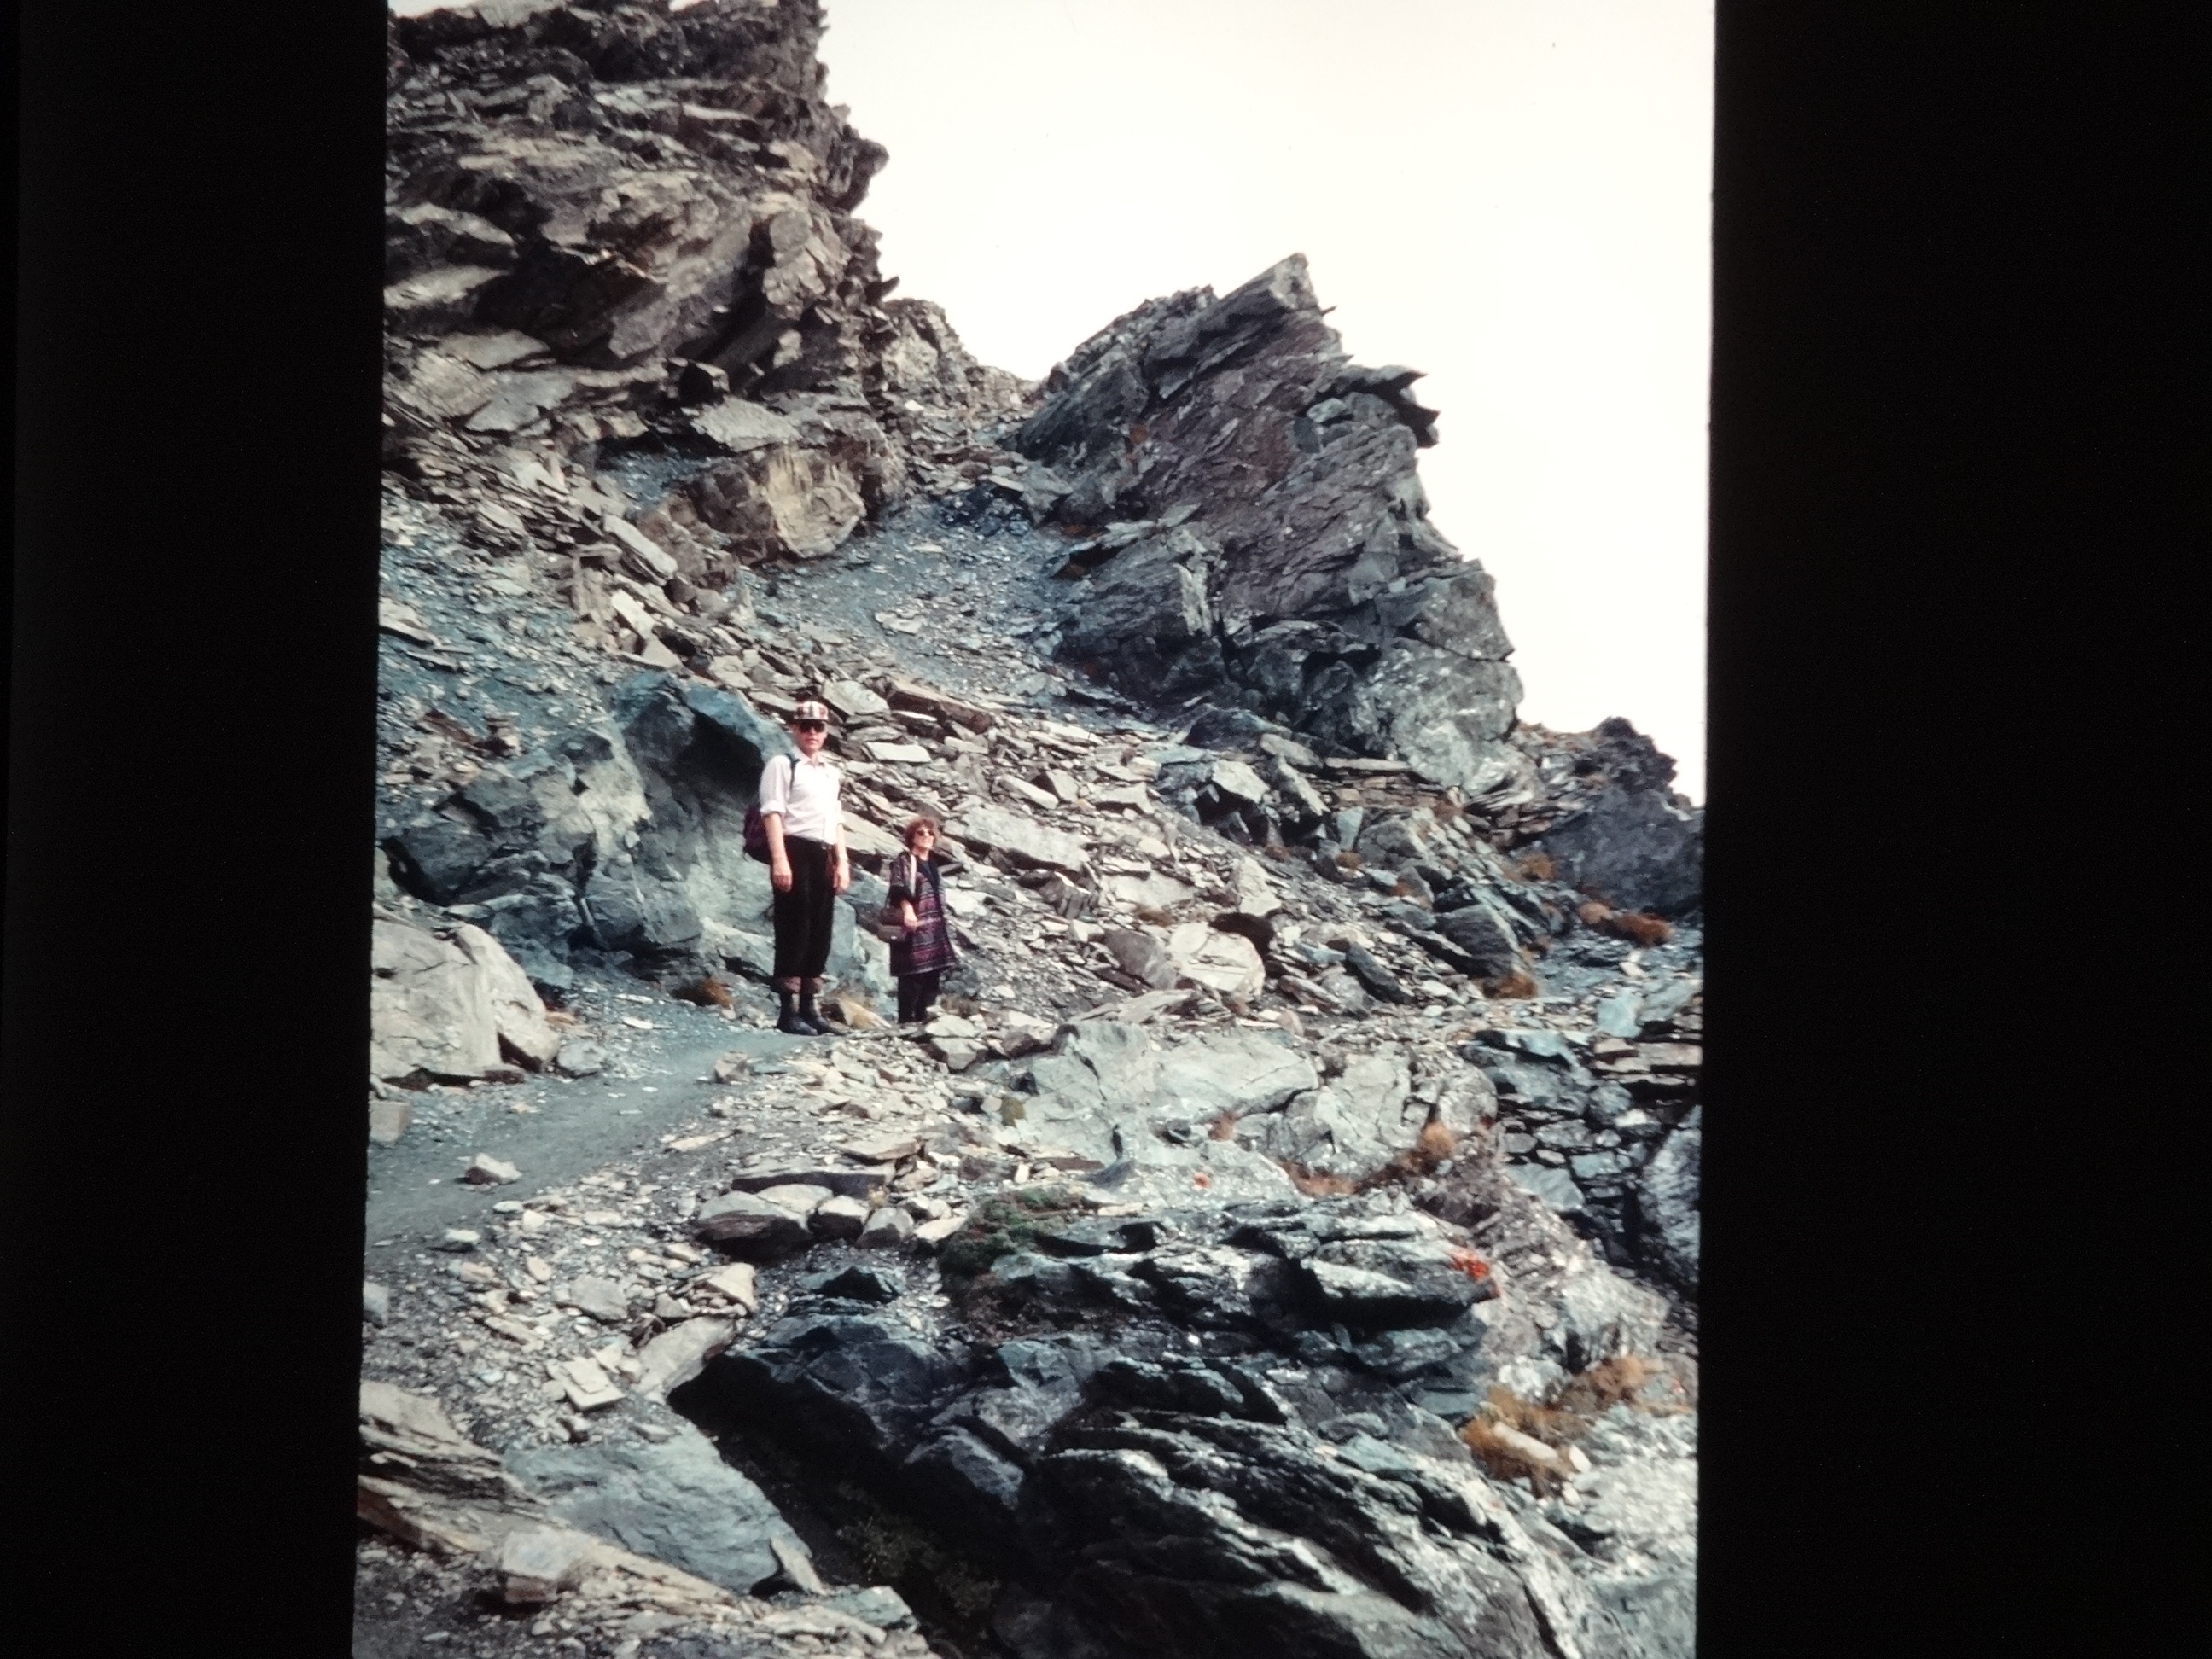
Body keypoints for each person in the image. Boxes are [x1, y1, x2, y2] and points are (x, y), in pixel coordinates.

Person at [756, 700, 850, 1036]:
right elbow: (773, 813)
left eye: (819, 727)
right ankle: (787, 1011)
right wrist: (779, 859)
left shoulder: (830, 772)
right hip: (794, 847)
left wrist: (842, 860)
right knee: (794, 925)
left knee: (820, 928)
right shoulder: (783, 765)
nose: (812, 733)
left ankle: (811, 1008)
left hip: (823, 851)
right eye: (805, 726)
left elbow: (836, 819)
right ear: (793, 729)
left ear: (826, 732)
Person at [886, 815, 958, 1026]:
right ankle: (906, 1021)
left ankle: (922, 1019)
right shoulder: (905, 860)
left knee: (931, 975)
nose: (927, 836)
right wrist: (908, 912)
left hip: (933, 927)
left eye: (930, 833)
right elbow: (898, 889)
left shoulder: (933, 863)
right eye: (921, 833)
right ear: (912, 837)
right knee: (911, 976)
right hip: (913, 925)